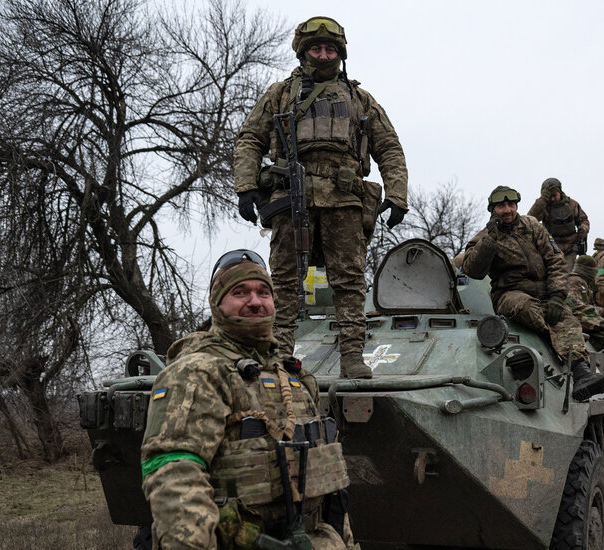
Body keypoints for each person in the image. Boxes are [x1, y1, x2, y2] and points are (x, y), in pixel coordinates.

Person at [142, 250, 356, 550]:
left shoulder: (293, 376)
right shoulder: (197, 372)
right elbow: (175, 474)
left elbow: (329, 482)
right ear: (217, 304)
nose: (255, 301)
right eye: (240, 292)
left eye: (263, 292)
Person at [233, 16, 409, 379]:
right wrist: (246, 185)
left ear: (340, 53)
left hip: (344, 201)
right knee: (284, 281)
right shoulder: (281, 94)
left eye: (331, 49)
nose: (324, 55)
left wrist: (397, 194)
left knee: (348, 281)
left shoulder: (360, 99)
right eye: (317, 48)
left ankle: (352, 358)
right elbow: (250, 138)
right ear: (303, 51)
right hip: (290, 198)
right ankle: (278, 355)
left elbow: (389, 148)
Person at [462, 186, 604, 401]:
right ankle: (556, 349)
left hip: (546, 293)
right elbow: (472, 269)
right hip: (509, 294)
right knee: (527, 308)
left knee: (566, 317)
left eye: (511, 205)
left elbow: (555, 261)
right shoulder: (484, 237)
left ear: (517, 206)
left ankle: (582, 375)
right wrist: (489, 242)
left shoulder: (532, 226)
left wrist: (557, 295)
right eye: (501, 206)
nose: (507, 210)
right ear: (493, 209)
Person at [526, 177, 589, 270]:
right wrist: (542, 200)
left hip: (571, 247)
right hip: (551, 247)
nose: (552, 199)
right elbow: (530, 220)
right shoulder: (544, 207)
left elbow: (584, 220)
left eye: (554, 195)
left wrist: (584, 229)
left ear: (560, 192)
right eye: (549, 196)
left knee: (568, 275)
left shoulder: (572, 205)